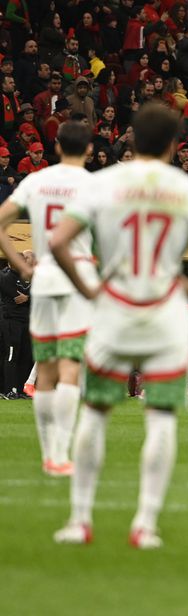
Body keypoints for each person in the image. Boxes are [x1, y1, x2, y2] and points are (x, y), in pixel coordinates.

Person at [49, 103, 188, 548]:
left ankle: (80, 521)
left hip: (114, 306)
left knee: (95, 413)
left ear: (131, 138)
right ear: (177, 145)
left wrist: (89, 287)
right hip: (164, 311)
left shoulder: (103, 184)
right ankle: (145, 525)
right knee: (160, 420)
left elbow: (59, 241)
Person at [0, 121, 95, 477]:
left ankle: (48, 453)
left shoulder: (36, 182)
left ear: (56, 146)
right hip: (77, 281)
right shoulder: (94, 186)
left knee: (46, 370)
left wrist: (19, 266)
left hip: (44, 281)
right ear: (88, 149)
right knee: (70, 368)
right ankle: (61, 452)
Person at [0, 251, 33, 399]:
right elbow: (15, 295)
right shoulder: (5, 277)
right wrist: (28, 297)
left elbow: (35, 296)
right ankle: (9, 390)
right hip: (11, 321)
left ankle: (21, 390)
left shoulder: (29, 278)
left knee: (25, 356)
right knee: (12, 355)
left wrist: (28, 297)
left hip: (26, 322)